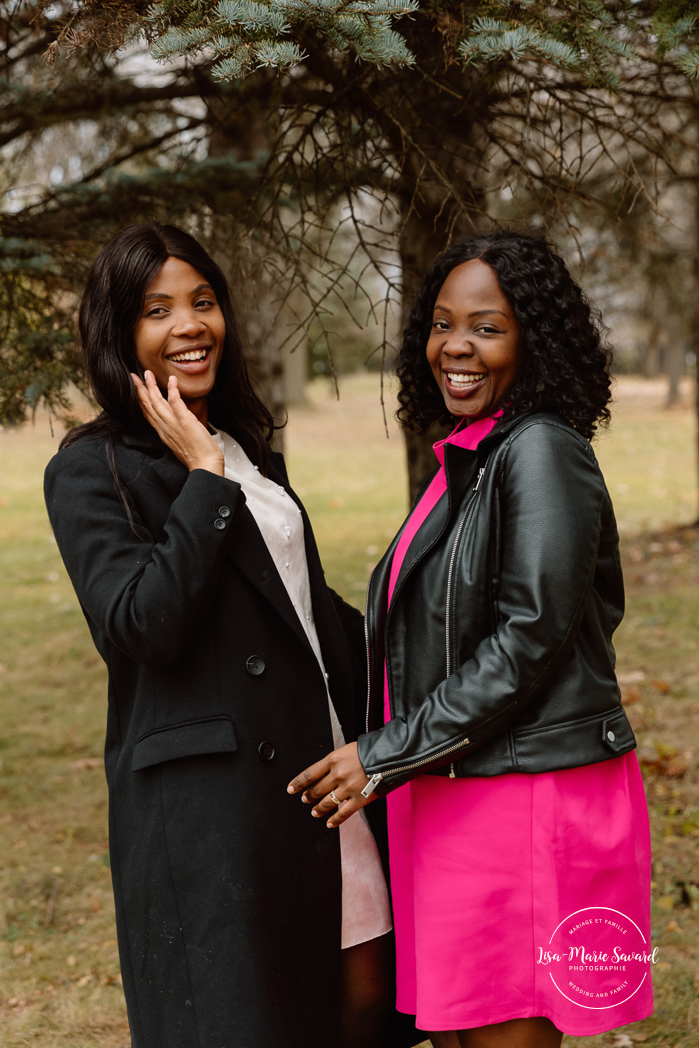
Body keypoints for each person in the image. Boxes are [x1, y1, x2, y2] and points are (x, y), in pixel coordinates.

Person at [289, 231, 653, 1047]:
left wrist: (380, 753)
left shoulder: (542, 452)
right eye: (442, 323)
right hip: (453, 785)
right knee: (458, 1034)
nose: (455, 346)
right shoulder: (471, 455)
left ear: (533, 339)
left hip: (523, 792)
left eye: (486, 327)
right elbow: (418, 626)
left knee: (502, 1032)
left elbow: (530, 639)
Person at [44, 223, 395, 1048]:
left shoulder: (250, 449)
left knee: (361, 1006)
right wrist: (203, 477)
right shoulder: (92, 469)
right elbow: (141, 624)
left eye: (203, 302)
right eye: (157, 309)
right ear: (119, 333)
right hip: (214, 815)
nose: (188, 325)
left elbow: (306, 613)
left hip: (324, 775)